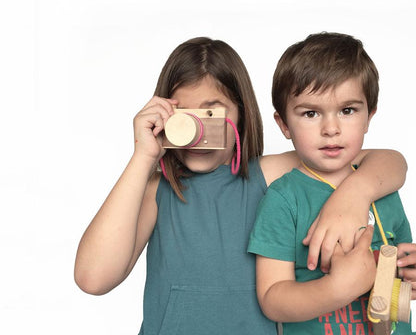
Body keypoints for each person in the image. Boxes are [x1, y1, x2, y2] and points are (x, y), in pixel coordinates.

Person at [74, 37, 408, 335]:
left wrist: (355, 193)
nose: (196, 131)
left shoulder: (269, 173)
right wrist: (142, 157)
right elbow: (93, 278)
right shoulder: (157, 189)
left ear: (241, 115)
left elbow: (386, 161)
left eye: (212, 113)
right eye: (184, 116)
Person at [248, 32, 415, 334]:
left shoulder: (383, 188)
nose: (331, 129)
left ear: (369, 116)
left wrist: (409, 271)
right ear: (284, 124)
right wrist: (336, 289)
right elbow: (272, 299)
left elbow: (401, 272)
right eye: (311, 113)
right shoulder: (283, 198)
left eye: (347, 110)